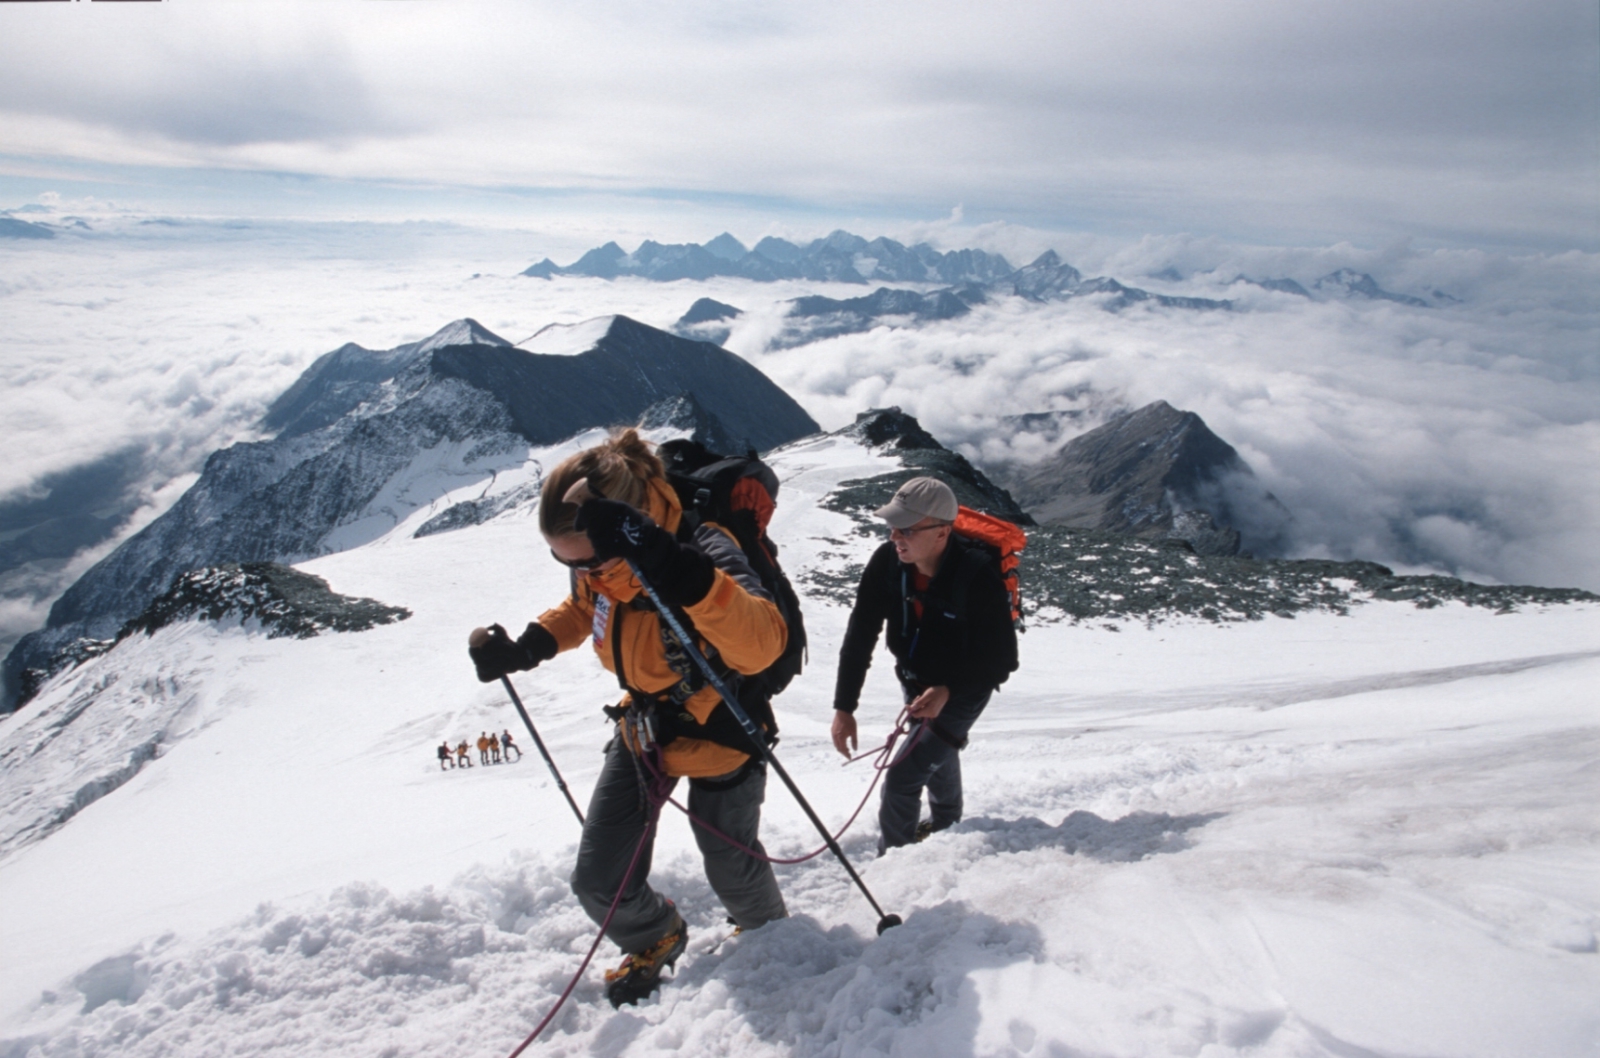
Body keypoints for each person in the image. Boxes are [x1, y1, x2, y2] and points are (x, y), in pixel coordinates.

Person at [467, 428, 789, 1007]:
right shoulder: (599, 562)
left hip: (722, 728)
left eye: (587, 561)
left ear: (627, 522)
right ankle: (656, 934)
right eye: (567, 562)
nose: (582, 574)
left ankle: (773, 943)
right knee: (598, 878)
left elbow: (762, 644)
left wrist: (676, 567)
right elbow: (586, 606)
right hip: (643, 729)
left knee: (731, 864)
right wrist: (530, 646)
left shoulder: (703, 546)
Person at [830, 476, 1018, 851]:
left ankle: (896, 866)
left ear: (942, 532)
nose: (895, 536)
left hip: (965, 689)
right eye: (893, 526)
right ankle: (948, 828)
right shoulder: (887, 563)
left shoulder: (977, 573)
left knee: (902, 777)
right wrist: (844, 707)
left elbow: (1001, 659)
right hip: (916, 681)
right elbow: (860, 635)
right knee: (933, 751)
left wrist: (948, 689)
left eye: (908, 529)